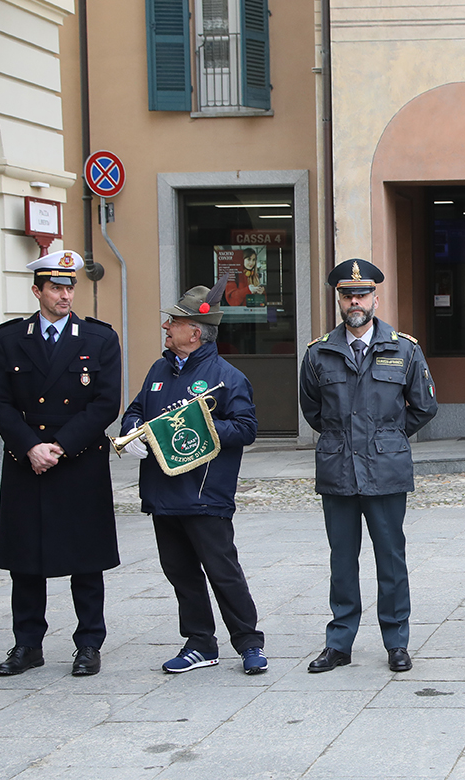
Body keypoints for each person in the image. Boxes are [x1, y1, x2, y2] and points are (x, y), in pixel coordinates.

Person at [0, 250, 122, 677]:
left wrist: (58, 447)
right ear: (37, 291)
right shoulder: (9, 338)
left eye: (70, 287)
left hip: (78, 460)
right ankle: (27, 645)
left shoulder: (99, 338)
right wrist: (31, 447)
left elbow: (105, 404)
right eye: (56, 287)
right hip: (26, 460)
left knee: (86, 557)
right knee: (26, 558)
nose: (65, 295)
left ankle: (88, 644)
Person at [121, 281, 267, 675]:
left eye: (174, 322)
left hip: (205, 493)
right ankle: (200, 642)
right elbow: (135, 410)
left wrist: (202, 428)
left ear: (195, 332)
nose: (167, 327)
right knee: (180, 573)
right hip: (162, 490)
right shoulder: (157, 369)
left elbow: (247, 428)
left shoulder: (227, 377)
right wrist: (133, 431)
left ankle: (249, 642)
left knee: (222, 572)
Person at [300, 259, 438, 674]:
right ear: (339, 300)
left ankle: (396, 641)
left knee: (390, 558)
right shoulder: (319, 352)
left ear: (377, 297)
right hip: (338, 469)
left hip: (385, 470)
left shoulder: (405, 349)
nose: (355, 301)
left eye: (362, 294)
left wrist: (388, 436)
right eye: (347, 295)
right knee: (342, 560)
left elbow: (425, 405)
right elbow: (312, 410)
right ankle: (339, 642)